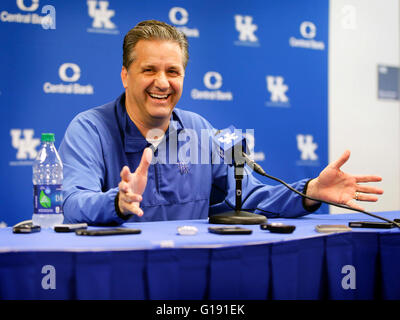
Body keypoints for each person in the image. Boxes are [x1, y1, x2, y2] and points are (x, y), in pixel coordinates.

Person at [59, 20, 383, 225]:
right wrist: (118, 201)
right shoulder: (90, 129)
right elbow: (74, 203)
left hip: (191, 270)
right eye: (149, 70)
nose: (162, 82)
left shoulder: (198, 128)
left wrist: (310, 192)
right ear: (125, 76)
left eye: (173, 72)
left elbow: (248, 198)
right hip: (118, 274)